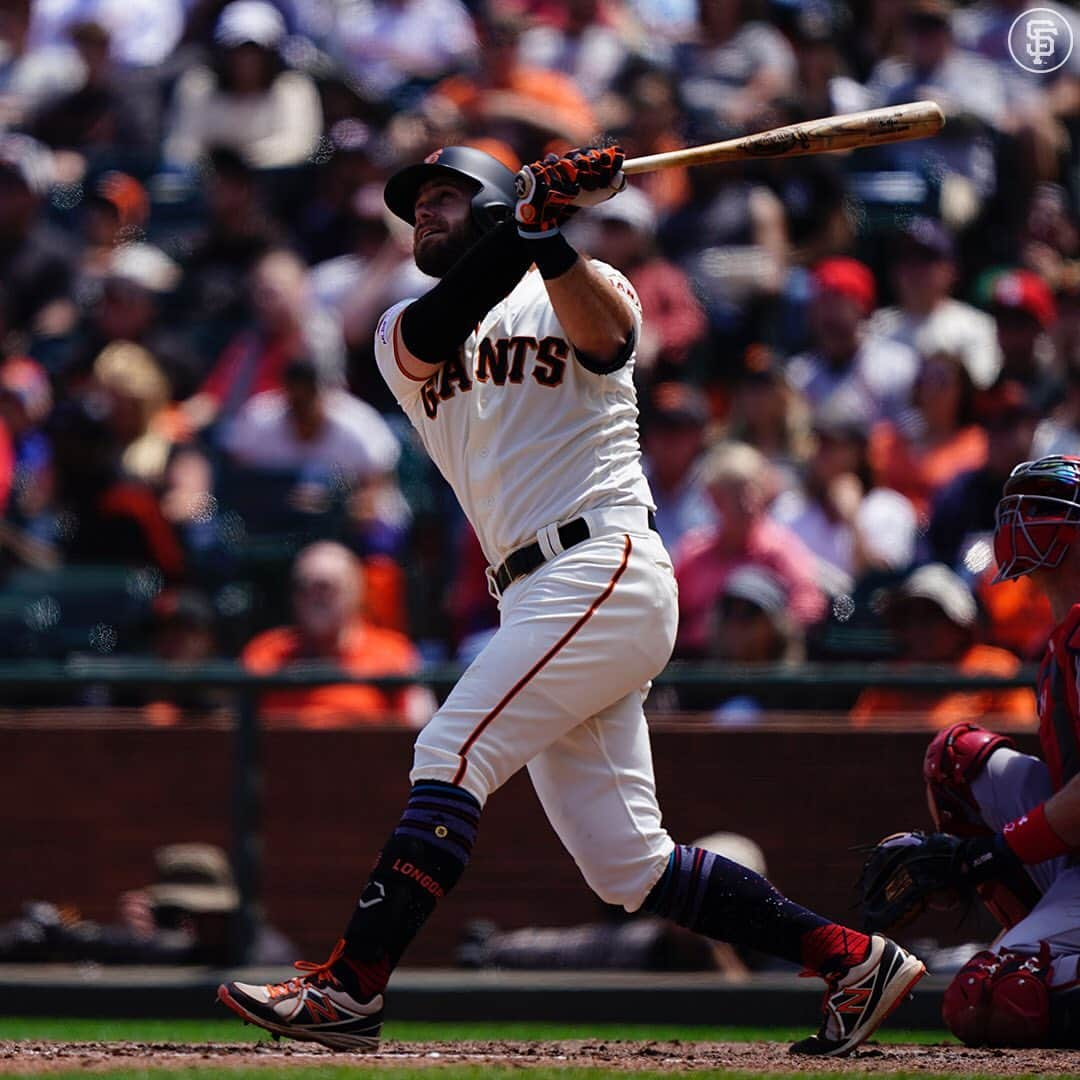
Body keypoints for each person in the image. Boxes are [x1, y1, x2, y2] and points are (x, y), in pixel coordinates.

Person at [218, 142, 925, 1055]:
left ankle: (350, 986)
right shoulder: (406, 323)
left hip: (604, 565)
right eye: (414, 204)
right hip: (535, 595)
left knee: (450, 747)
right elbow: (442, 326)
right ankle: (852, 959)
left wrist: (549, 238)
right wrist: (526, 224)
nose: (422, 215)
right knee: (628, 865)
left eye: (442, 197)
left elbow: (612, 341)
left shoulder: (586, 281)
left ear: (492, 200)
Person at [860, 455, 1080, 1046]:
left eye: (1041, 506)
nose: (1020, 519)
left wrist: (988, 856)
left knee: (991, 997)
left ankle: (1039, 960)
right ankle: (1047, 939)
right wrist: (975, 855)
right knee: (956, 759)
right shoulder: (1063, 630)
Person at [242, 540, 432, 729]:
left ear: (355, 591)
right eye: (302, 586)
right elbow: (232, 729)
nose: (313, 597)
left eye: (325, 587)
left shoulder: (393, 654)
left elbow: (422, 731)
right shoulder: (265, 653)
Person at [849, 563, 1036, 729]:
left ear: (960, 625)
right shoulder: (889, 680)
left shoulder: (998, 670)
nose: (919, 629)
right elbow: (858, 743)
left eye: (932, 616)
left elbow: (1023, 735)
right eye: (909, 618)